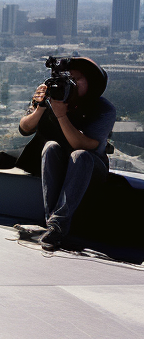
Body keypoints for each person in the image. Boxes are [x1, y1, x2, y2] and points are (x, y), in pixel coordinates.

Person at [13, 58, 116, 251]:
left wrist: (61, 115)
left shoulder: (104, 109)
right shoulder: (55, 96)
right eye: (71, 78)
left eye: (78, 79)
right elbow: (24, 128)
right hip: (60, 163)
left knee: (80, 156)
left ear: (93, 83)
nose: (73, 84)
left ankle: (55, 226)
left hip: (91, 168)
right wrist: (41, 107)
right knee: (50, 147)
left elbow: (84, 145)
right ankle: (55, 228)